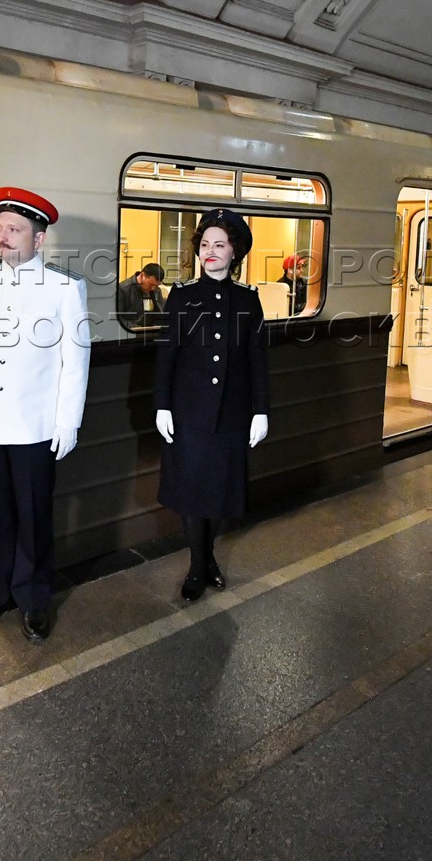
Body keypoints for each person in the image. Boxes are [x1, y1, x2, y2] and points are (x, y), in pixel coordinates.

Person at [0, 187, 90, 642]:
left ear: (39, 239)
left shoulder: (65, 289)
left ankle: (33, 599)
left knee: (33, 516)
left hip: (34, 427)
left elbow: (75, 360)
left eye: (15, 229)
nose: (3, 237)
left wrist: (68, 421)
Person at [153, 209, 270, 601]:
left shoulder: (248, 301)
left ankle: (207, 557)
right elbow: (167, 354)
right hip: (188, 412)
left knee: (219, 491)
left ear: (234, 252)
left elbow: (258, 360)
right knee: (191, 490)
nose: (211, 252)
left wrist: (261, 410)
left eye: (219, 245)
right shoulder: (183, 296)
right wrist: (162, 405)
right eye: (205, 245)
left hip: (232, 414)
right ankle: (197, 566)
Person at [116, 262, 167, 331]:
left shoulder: (156, 291)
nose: (153, 288)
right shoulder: (123, 289)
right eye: (151, 284)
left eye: (156, 285)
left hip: (153, 331)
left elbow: (161, 314)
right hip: (132, 332)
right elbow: (119, 319)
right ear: (142, 275)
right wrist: (137, 328)